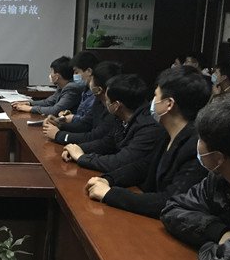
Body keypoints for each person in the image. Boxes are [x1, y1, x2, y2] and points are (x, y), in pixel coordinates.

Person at [86, 66, 210, 218]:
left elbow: (170, 201)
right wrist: (108, 179)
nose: (152, 102)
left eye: (156, 96)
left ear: (169, 104)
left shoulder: (196, 147)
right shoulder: (166, 133)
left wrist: (110, 194)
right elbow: (144, 166)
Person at [160, 99, 230, 260]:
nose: (197, 144)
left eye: (201, 139)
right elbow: (172, 208)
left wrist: (216, 245)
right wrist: (219, 233)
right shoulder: (218, 180)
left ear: (219, 157)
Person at [62, 74, 164, 172]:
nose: (105, 103)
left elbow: (119, 161)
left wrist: (81, 157)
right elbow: (106, 143)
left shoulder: (148, 128)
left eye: (107, 100)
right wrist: (78, 148)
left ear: (116, 105)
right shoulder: (121, 118)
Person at [43, 61, 121, 144]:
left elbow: (93, 137)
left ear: (99, 89)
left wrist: (58, 135)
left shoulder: (113, 111)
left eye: (92, 78)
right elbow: (85, 124)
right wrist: (59, 124)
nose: (90, 82)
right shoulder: (98, 101)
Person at [12, 56, 82, 116]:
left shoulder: (71, 88)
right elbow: (48, 102)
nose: (50, 74)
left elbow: (55, 110)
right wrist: (28, 103)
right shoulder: (62, 86)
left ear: (57, 76)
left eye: (51, 71)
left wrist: (30, 109)